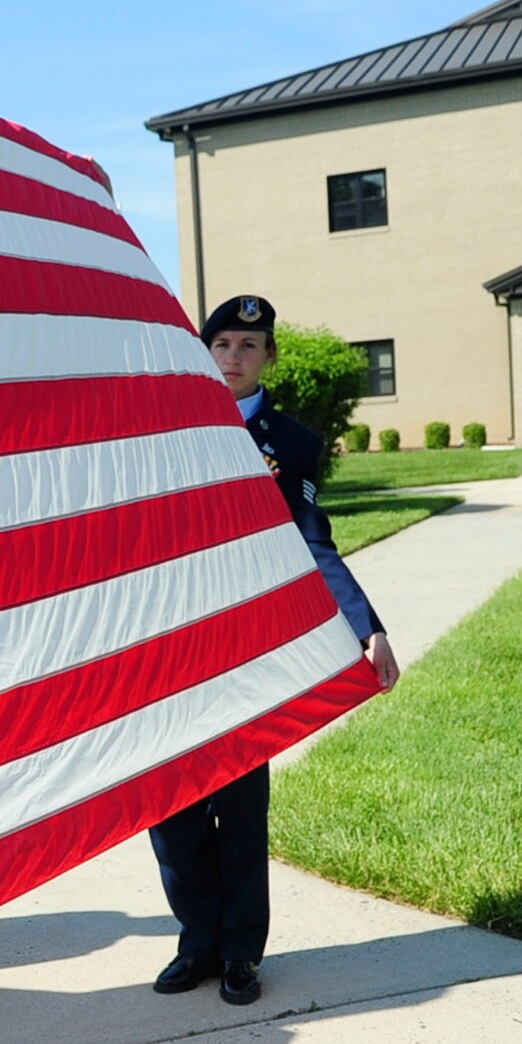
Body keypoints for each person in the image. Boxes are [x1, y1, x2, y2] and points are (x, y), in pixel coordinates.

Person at [149, 294, 401, 1007]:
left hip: (244, 649)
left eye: (248, 346)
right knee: (170, 806)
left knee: (239, 801)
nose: (232, 355)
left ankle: (239, 955)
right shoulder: (162, 427)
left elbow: (311, 541)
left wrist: (365, 627)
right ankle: (195, 942)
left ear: (269, 359)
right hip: (168, 649)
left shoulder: (291, 443)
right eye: (221, 342)